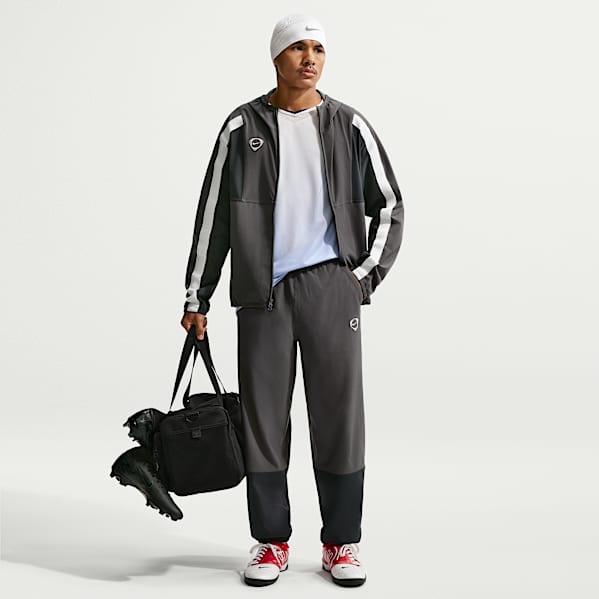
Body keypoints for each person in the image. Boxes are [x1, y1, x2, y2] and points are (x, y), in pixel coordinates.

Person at [180, 13, 405, 587]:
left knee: (339, 418)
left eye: (318, 49)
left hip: (331, 288)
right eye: (298, 48)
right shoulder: (242, 126)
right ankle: (271, 541)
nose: (310, 58)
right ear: (277, 57)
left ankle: (341, 543)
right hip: (262, 295)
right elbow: (214, 216)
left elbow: (390, 206)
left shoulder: (349, 124)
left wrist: (361, 279)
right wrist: (197, 296)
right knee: (263, 422)